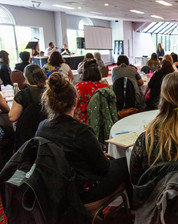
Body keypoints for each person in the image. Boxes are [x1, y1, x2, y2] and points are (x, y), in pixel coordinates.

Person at [35, 73, 132, 205]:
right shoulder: (81, 131)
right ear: (76, 101)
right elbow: (103, 168)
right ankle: (133, 208)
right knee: (125, 163)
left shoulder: (41, 128)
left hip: (55, 188)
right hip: (82, 192)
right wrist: (101, 156)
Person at [8, 64, 47, 150]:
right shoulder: (50, 92)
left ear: (26, 77)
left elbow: (12, 117)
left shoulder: (23, 95)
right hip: (48, 132)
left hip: (27, 135)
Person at [74, 59, 108, 124]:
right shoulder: (104, 87)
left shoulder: (78, 88)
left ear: (84, 73)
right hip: (100, 122)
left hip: (82, 123)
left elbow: (74, 106)